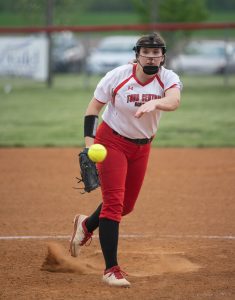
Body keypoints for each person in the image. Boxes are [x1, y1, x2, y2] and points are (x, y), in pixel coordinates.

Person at [69, 32, 182, 287]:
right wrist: (89, 146)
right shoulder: (117, 76)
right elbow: (92, 110)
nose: (151, 58)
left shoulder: (168, 78)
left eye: (156, 53)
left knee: (125, 206)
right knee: (113, 204)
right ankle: (111, 270)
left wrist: (156, 104)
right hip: (111, 142)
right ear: (137, 55)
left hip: (142, 147)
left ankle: (86, 225)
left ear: (163, 56)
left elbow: (174, 101)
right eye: (146, 53)